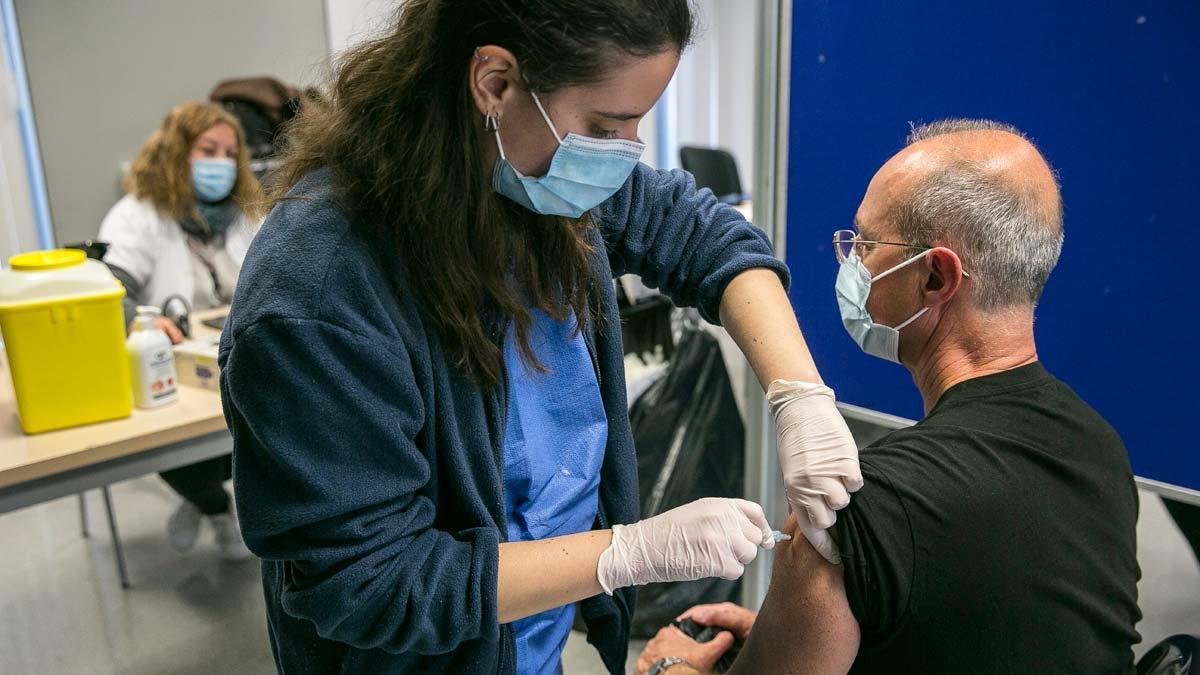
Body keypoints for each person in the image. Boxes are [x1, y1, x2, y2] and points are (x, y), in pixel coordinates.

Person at [218, 1, 863, 673]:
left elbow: (701, 232)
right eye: (606, 126)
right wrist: (624, 553)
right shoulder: (320, 296)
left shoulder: (533, 176)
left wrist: (800, 396)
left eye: (637, 124)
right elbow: (372, 581)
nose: (624, 155)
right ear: (494, 82)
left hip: (527, 644)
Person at [636, 119, 1142, 675]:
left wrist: (668, 669)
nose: (851, 263)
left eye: (866, 244)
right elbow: (1002, 625)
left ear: (934, 278)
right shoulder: (1100, 448)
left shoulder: (854, 512)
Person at [99, 101, 261, 561]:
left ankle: (214, 503)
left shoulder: (246, 212)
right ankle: (211, 503)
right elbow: (109, 288)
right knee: (162, 438)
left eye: (230, 153)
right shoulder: (137, 215)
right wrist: (138, 318)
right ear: (176, 152)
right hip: (170, 362)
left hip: (239, 354)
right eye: (208, 149)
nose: (221, 164)